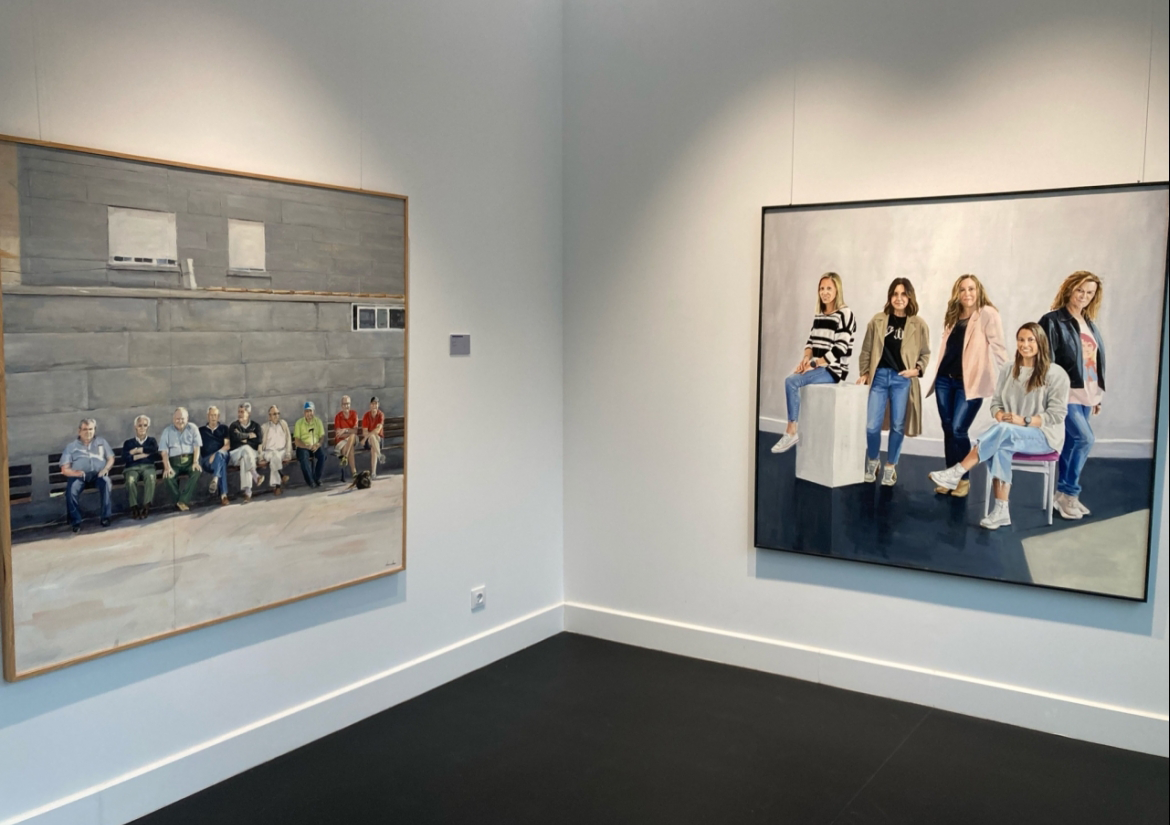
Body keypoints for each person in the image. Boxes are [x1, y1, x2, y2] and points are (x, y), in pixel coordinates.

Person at [929, 323, 1069, 530]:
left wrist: (1024, 421)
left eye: (1031, 340)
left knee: (1003, 433)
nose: (1025, 344)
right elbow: (995, 403)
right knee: (1001, 445)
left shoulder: (1056, 374)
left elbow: (1057, 415)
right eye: (1021, 340)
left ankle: (957, 471)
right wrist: (999, 414)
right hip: (1010, 433)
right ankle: (1001, 511)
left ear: (1041, 342)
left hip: (1044, 437)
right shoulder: (1008, 369)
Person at [926, 274, 1007, 498]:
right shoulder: (953, 315)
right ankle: (949, 477)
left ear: (978, 291)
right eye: (962, 289)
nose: (967, 293)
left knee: (958, 429)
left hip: (969, 383)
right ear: (957, 293)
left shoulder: (987, 313)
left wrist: (1012, 377)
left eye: (971, 289)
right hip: (944, 380)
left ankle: (962, 479)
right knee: (948, 428)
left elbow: (999, 347)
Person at [1039, 271, 1105, 521]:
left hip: (1087, 393)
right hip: (1065, 394)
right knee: (1085, 439)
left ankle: (1061, 495)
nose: (1084, 296)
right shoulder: (1052, 321)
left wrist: (1096, 396)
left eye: (1090, 293)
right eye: (1080, 290)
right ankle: (1070, 493)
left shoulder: (1089, 323)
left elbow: (1092, 361)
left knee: (1071, 444)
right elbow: (1045, 361)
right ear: (1069, 289)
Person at [856, 278, 931, 486]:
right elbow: (866, 349)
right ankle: (873, 461)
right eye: (895, 294)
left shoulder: (918, 324)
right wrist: (865, 372)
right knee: (872, 425)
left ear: (910, 297)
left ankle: (890, 466)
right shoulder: (878, 320)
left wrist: (916, 370)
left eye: (903, 294)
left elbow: (925, 353)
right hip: (879, 377)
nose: (899, 298)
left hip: (902, 380)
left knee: (898, 425)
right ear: (890, 296)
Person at [771, 272, 856, 453]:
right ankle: (792, 430)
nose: (824, 292)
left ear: (837, 290)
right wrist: (805, 360)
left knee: (791, 381)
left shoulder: (845, 314)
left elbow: (840, 349)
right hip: (817, 366)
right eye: (821, 288)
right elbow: (810, 342)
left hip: (833, 370)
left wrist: (814, 364)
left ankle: (791, 431)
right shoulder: (820, 314)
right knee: (794, 377)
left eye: (829, 288)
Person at [60, 418, 115, 532]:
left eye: (91, 429)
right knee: (71, 490)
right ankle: (76, 522)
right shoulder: (71, 447)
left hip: (98, 474)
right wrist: (76, 473)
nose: (88, 432)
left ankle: (105, 517)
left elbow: (111, 458)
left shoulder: (101, 442)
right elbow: (64, 469)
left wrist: (106, 469)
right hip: (79, 476)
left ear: (94, 430)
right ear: (79, 431)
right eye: (85, 429)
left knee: (106, 483)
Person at [159, 407, 202, 512]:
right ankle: (181, 501)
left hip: (190, 460)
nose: (180, 421)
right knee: (168, 476)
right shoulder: (167, 431)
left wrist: (195, 462)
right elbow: (164, 452)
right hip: (174, 462)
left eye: (182, 418)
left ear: (187, 418)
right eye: (177, 419)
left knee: (196, 471)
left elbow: (197, 447)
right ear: (173, 419)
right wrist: (167, 467)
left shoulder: (193, 428)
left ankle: (182, 501)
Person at [122, 415, 158, 520]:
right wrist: (143, 455)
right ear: (135, 427)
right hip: (132, 468)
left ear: (148, 427)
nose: (142, 428)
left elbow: (154, 452)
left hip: (148, 467)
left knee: (151, 477)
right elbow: (125, 457)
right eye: (140, 425)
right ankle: (134, 507)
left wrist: (137, 451)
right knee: (130, 480)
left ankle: (146, 506)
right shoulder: (128, 443)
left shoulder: (152, 441)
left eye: (145, 425)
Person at [228, 402, 265, 503]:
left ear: (248, 413)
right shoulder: (234, 426)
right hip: (236, 454)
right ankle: (255, 475)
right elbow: (236, 438)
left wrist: (244, 440)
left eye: (242, 412)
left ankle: (247, 493)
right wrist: (249, 436)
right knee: (245, 449)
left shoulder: (256, 426)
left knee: (245, 459)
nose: (239, 414)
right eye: (239, 412)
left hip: (251, 454)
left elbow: (259, 440)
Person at [199, 406, 231, 506]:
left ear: (218, 417)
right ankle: (223, 496)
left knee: (220, 457)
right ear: (207, 416)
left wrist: (216, 454)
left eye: (215, 415)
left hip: (222, 455)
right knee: (221, 464)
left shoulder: (224, 428)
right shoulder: (201, 431)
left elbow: (227, 445)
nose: (213, 417)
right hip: (207, 461)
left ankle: (216, 478)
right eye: (211, 415)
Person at [259, 405, 293, 496]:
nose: (277, 416)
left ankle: (278, 485)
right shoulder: (264, 427)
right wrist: (260, 457)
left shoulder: (283, 424)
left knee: (275, 457)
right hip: (268, 452)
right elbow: (260, 444)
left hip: (282, 451)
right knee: (275, 456)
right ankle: (280, 479)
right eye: (274, 414)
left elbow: (288, 439)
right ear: (269, 416)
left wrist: (288, 453)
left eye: (278, 413)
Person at [294, 401, 327, 489]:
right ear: (304, 412)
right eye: (307, 411)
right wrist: (306, 446)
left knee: (322, 456)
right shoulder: (299, 423)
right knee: (304, 458)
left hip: (315, 446)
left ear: (314, 412)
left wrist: (318, 444)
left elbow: (322, 436)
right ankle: (311, 481)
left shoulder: (318, 421)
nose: (309, 413)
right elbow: (297, 441)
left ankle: (316, 478)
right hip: (303, 447)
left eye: (310, 411)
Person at [334, 395, 359, 482]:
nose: (346, 406)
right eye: (344, 404)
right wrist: (349, 432)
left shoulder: (354, 414)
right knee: (350, 447)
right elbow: (338, 435)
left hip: (353, 439)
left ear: (350, 404)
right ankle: (354, 473)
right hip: (342, 442)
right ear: (341, 405)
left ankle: (345, 457)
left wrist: (345, 430)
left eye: (348, 404)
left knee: (352, 436)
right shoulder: (338, 416)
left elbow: (355, 431)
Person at [361, 396, 387, 480]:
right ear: (370, 405)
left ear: (378, 405)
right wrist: (367, 438)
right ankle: (379, 457)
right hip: (368, 441)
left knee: (373, 446)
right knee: (372, 439)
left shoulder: (381, 415)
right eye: (372, 404)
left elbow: (378, 430)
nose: (374, 405)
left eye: (376, 404)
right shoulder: (366, 415)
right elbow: (364, 432)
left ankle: (373, 473)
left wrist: (365, 438)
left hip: (379, 439)